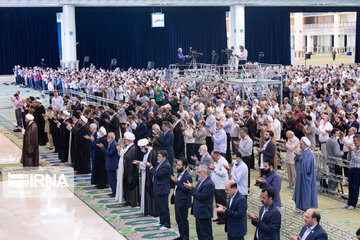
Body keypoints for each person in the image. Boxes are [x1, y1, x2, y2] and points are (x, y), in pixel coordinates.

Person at [184, 165, 215, 240]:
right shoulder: (201, 181)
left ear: (205, 173)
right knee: (200, 233)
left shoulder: (209, 184)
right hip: (199, 212)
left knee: (206, 235)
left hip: (204, 213)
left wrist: (192, 188)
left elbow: (201, 197)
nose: (197, 174)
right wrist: (191, 188)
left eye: (199, 172)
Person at [145, 150, 172, 230]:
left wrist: (150, 167)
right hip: (158, 188)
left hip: (163, 189)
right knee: (159, 206)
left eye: (159, 156)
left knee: (164, 207)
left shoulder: (166, 165)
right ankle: (162, 221)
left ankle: (167, 224)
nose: (158, 157)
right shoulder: (160, 164)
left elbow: (157, 174)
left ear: (164, 157)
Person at [132, 138, 158, 216]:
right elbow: (145, 163)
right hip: (145, 174)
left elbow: (150, 165)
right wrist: (139, 162)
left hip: (149, 176)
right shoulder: (147, 152)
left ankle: (151, 210)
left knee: (149, 193)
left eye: (141, 148)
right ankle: (146, 208)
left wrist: (140, 163)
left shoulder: (152, 153)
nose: (141, 150)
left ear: (145, 146)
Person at [293, 137, 318, 211]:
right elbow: (297, 162)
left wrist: (299, 156)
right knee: (299, 191)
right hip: (300, 176)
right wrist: (297, 156)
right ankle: (299, 206)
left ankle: (305, 207)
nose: (300, 146)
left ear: (306, 145)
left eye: (301, 144)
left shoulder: (310, 153)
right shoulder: (301, 150)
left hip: (306, 177)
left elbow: (307, 166)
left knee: (305, 192)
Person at [171, 158, 193, 240]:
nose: (177, 166)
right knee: (178, 219)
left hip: (183, 201)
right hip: (178, 200)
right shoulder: (180, 174)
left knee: (183, 220)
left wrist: (176, 182)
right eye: (177, 165)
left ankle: (186, 237)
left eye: (179, 165)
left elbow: (185, 189)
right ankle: (181, 235)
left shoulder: (187, 176)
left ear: (184, 166)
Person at [209, 150, 229, 225]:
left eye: (213, 157)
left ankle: (224, 218)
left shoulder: (223, 162)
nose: (212, 159)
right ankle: (219, 217)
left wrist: (214, 169)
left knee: (222, 202)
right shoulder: (217, 161)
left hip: (221, 186)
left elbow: (223, 174)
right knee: (218, 202)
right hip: (216, 185)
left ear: (217, 155)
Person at [120, 132, 139, 207]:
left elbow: (128, 157)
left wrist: (121, 151)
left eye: (125, 139)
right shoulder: (128, 147)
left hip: (131, 171)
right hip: (127, 169)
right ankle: (128, 200)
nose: (124, 141)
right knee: (126, 185)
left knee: (131, 186)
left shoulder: (133, 148)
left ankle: (132, 201)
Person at [98, 132, 118, 197]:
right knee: (110, 179)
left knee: (112, 179)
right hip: (109, 163)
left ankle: (115, 192)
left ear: (112, 138)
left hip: (112, 164)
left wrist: (103, 147)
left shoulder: (114, 144)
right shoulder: (110, 143)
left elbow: (109, 153)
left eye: (108, 137)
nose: (107, 138)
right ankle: (113, 191)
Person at [344, 133, 360, 210]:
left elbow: (357, 159)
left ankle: (353, 204)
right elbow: (348, 158)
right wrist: (350, 152)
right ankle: (349, 202)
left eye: (355, 141)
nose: (354, 142)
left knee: (355, 187)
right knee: (350, 187)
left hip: (357, 170)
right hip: (351, 169)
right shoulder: (354, 148)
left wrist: (352, 151)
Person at [326, 128, 343, 193]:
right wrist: (342, 153)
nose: (339, 134)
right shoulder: (335, 142)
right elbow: (336, 153)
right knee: (334, 177)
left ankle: (330, 189)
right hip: (335, 162)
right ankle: (333, 190)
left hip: (329, 160)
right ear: (334, 134)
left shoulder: (328, 140)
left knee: (331, 176)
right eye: (337, 133)